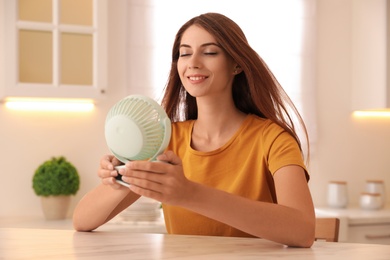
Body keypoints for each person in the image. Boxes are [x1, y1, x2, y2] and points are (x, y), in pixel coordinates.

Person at [73, 12, 315, 248]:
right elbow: (82, 221)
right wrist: (118, 181)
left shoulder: (273, 139)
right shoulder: (165, 140)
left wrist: (189, 194)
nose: (193, 63)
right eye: (184, 53)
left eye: (209, 52)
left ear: (237, 65)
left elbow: (303, 230)